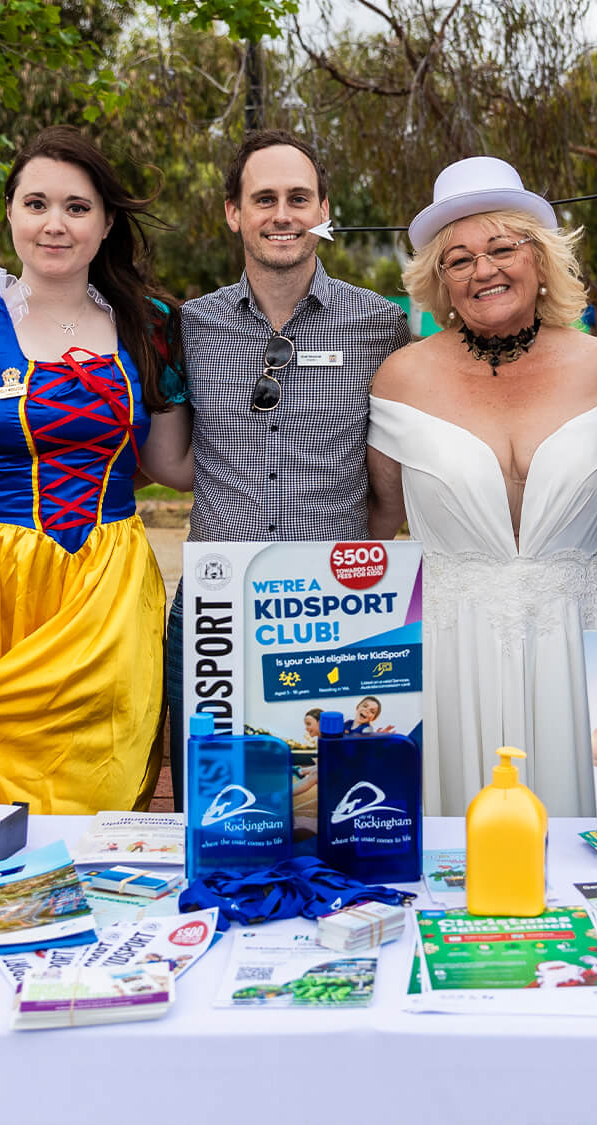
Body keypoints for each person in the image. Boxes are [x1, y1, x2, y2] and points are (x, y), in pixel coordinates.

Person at [0, 125, 195, 815]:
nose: (56, 224)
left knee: (103, 804)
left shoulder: (151, 326)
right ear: (10, 212)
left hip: (108, 604)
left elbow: (175, 465)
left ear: (107, 223)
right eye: (37, 204)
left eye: (77, 207)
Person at [367, 155, 597, 818]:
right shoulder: (400, 378)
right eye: (459, 258)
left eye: (503, 247)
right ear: (439, 280)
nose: (485, 269)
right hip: (451, 658)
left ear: (542, 260)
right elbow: (376, 519)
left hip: (588, 644)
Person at [162, 129, 409, 808]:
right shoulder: (192, 326)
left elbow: (391, 485)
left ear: (323, 209)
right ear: (232, 212)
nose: (282, 213)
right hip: (217, 615)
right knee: (215, 823)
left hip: (336, 613)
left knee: (340, 817)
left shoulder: (380, 325)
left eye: (299, 198)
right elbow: (173, 460)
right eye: (263, 197)